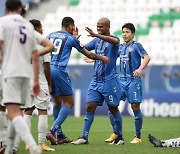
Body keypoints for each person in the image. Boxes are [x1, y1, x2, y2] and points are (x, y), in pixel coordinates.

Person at [46, 16, 109, 145]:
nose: (74, 29)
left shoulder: (50, 35)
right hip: (58, 70)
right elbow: (89, 54)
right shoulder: (70, 38)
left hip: (46, 69)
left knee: (57, 103)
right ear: (70, 26)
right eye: (73, 27)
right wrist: (102, 58)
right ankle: (51, 131)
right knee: (69, 103)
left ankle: (60, 136)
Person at [71, 17, 124, 145]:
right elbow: (84, 49)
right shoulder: (97, 41)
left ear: (108, 27)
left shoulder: (114, 40)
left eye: (101, 26)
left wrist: (96, 35)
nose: (98, 28)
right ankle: (84, 137)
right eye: (97, 26)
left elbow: (116, 41)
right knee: (89, 107)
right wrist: (75, 40)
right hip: (96, 80)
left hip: (109, 81)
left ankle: (120, 137)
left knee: (113, 109)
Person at [0, 0, 42, 154]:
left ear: (5, 9)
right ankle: (10, 149)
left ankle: (33, 147)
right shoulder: (28, 26)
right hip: (26, 73)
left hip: (10, 72)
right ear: (20, 9)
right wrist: (36, 80)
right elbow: (35, 55)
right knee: (16, 112)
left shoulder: (3, 23)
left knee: (12, 113)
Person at [12, 19, 55, 153]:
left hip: (25, 83)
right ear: (37, 29)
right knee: (43, 112)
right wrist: (49, 83)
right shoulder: (43, 45)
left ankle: (27, 143)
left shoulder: (21, 44)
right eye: (41, 28)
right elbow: (47, 67)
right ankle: (41, 144)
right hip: (40, 82)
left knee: (27, 111)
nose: (42, 30)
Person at [105, 23, 151, 144]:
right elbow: (110, 57)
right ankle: (116, 133)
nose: (124, 34)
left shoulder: (137, 46)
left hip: (133, 81)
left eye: (127, 32)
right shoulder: (120, 47)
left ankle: (138, 136)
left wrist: (140, 69)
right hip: (121, 81)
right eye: (123, 32)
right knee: (112, 106)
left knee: (135, 107)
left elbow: (147, 58)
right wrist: (94, 58)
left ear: (133, 34)